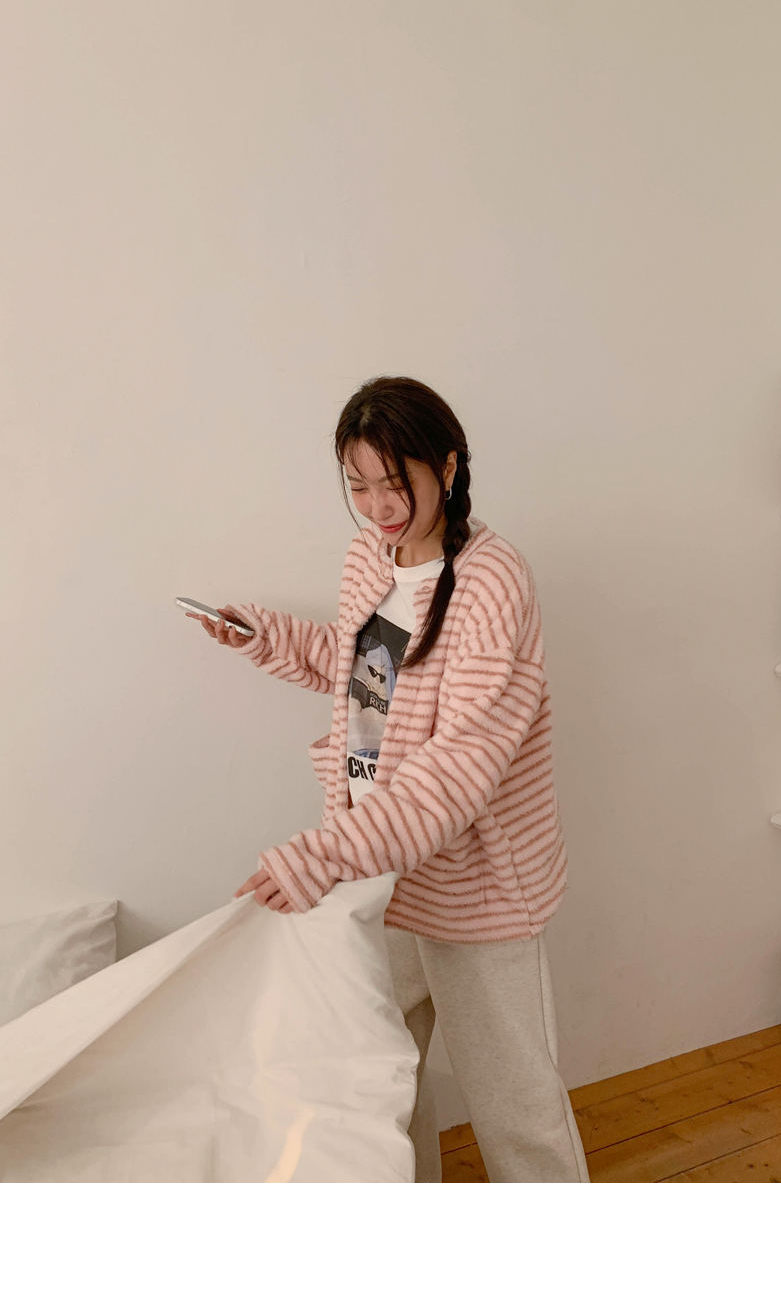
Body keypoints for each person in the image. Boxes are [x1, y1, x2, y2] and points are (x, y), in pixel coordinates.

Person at [185, 375, 588, 1184]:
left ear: (449, 465)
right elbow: (366, 675)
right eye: (359, 485)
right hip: (380, 873)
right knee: (382, 1091)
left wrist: (323, 854)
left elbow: (460, 767)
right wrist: (266, 636)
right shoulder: (368, 558)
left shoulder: (493, 581)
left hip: (473, 889)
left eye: (395, 483)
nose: (378, 507)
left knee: (517, 1107)